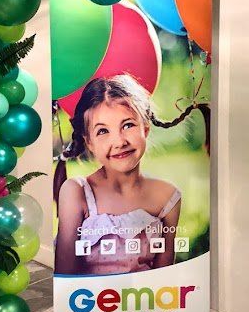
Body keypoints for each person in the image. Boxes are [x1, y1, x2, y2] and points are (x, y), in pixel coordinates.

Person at [55, 74, 181, 275]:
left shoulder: (167, 197)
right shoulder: (76, 192)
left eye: (128, 125)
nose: (119, 141)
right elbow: (66, 275)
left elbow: (163, 276)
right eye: (103, 131)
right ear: (90, 143)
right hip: (88, 302)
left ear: (145, 129)